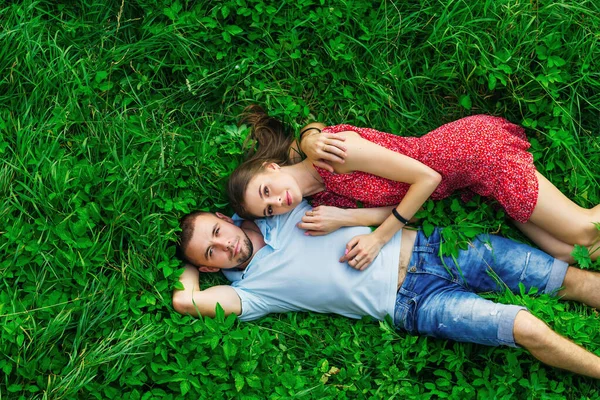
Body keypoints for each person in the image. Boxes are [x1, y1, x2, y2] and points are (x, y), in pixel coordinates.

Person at [173, 201, 600, 379]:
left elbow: (312, 146)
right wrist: (186, 269)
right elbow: (185, 301)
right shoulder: (250, 290)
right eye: (211, 253)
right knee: (526, 327)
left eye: (217, 231)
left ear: (222, 216)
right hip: (415, 303)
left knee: (571, 281)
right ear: (209, 266)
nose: (225, 245)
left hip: (436, 245)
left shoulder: (276, 204)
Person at [227, 106, 599, 267]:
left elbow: (427, 178)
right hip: (468, 179)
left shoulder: (335, 152)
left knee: (584, 231)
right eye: (271, 210)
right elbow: (400, 203)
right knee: (567, 253)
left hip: (470, 153)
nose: (278, 200)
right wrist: (342, 218)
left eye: (266, 191)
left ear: (270, 166)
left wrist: (379, 237)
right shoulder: (325, 195)